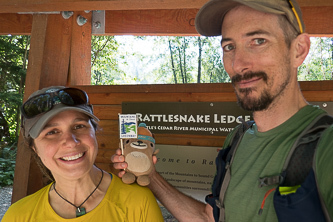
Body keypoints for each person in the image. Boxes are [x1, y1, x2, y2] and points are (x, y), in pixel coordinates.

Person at [112, 0, 333, 221]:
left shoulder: (326, 146)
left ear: (299, 50)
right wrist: (149, 176)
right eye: (229, 46)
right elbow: (209, 218)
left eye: (258, 41)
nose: (238, 64)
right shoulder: (236, 141)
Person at [2, 86, 163, 221]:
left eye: (79, 126)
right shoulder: (18, 217)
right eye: (52, 132)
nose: (71, 142)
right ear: (34, 148)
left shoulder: (138, 202)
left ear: (94, 132)